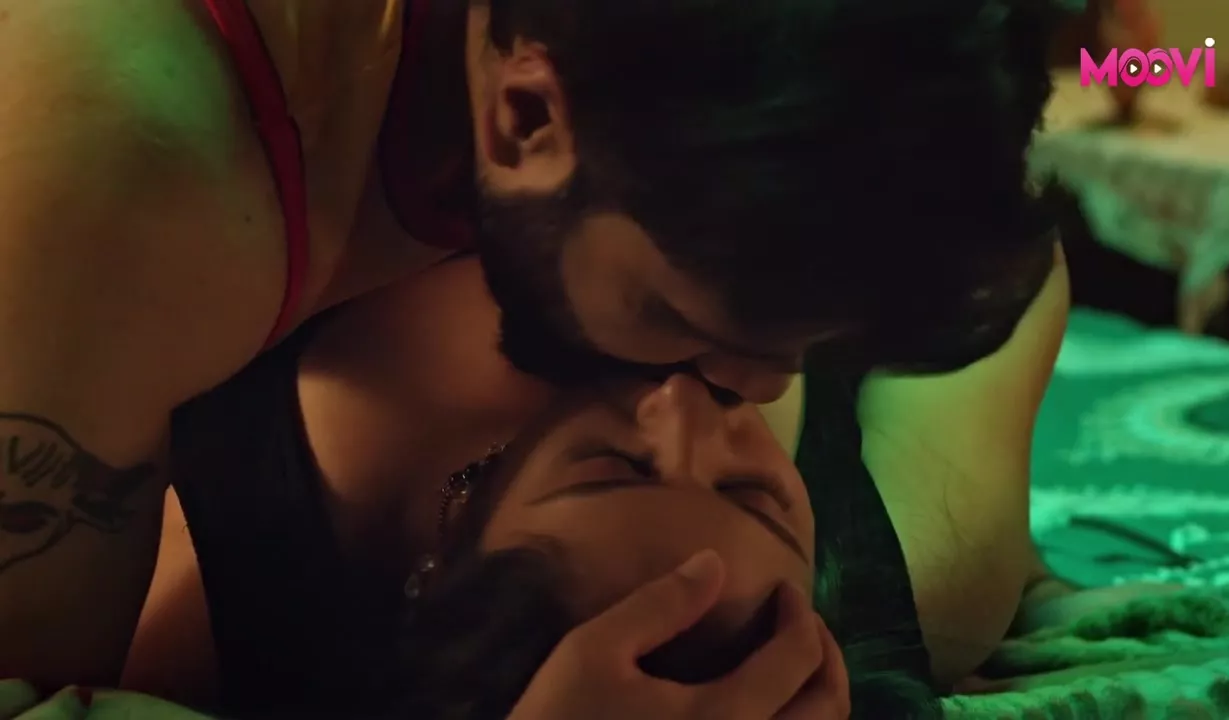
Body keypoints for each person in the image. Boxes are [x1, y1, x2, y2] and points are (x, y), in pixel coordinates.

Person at [1, 0, 1072, 693]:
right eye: (686, 321)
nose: (727, 399)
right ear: (520, 118)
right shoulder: (124, 193)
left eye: (821, 337)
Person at [115, 256, 932, 717]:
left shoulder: (199, 580)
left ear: (452, 548)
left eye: (613, 465)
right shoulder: (875, 581)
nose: (685, 403)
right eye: (751, 490)